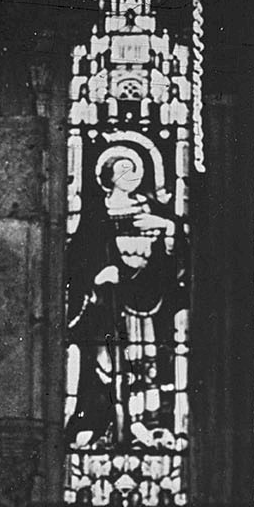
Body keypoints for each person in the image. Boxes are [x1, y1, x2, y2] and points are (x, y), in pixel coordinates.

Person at [63, 149, 183, 447]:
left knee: (146, 361)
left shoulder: (150, 208)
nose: (133, 176)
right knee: (105, 361)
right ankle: (106, 424)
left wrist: (167, 227)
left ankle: (148, 423)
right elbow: (78, 255)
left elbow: (173, 258)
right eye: (124, 170)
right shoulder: (97, 212)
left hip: (146, 297)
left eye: (135, 169)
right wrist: (98, 275)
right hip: (107, 301)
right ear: (109, 177)